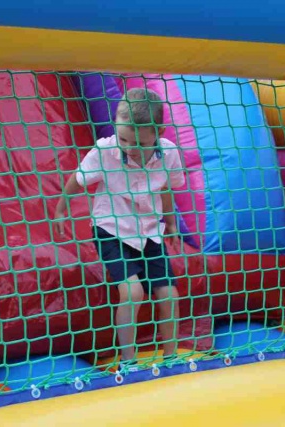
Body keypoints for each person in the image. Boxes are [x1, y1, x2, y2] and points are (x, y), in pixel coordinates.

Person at [53, 87, 186, 372]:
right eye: (124, 138)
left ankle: (172, 357)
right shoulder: (106, 151)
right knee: (133, 292)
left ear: (158, 133)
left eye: (139, 143)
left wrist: (171, 222)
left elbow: (165, 187)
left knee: (169, 294)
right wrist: (61, 208)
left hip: (149, 230)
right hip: (111, 228)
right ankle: (128, 361)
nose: (129, 148)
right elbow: (78, 179)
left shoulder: (169, 153)